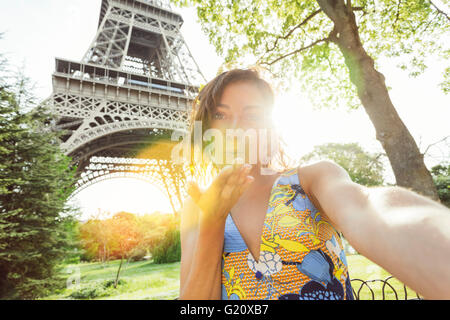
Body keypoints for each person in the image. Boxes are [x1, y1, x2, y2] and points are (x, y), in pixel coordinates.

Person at [179, 68, 450, 300]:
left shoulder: (311, 179)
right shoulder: (195, 208)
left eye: (252, 115)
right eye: (221, 115)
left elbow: (367, 207)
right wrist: (212, 222)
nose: (236, 127)